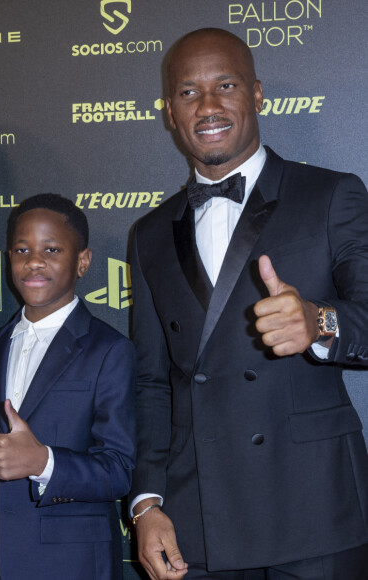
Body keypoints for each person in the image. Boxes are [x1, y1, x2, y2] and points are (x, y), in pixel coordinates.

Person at [129, 28, 368, 579]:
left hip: (314, 513)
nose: (208, 106)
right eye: (188, 92)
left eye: (226, 85)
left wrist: (319, 320)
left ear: (257, 94)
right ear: (169, 112)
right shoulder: (148, 233)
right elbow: (149, 383)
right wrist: (147, 501)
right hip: (200, 520)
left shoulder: (331, 195)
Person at [0, 193, 136, 580]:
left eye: (51, 249)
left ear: (82, 261)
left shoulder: (110, 350)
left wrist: (44, 462)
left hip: (74, 566)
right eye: (21, 249)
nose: (34, 261)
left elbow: (119, 470)